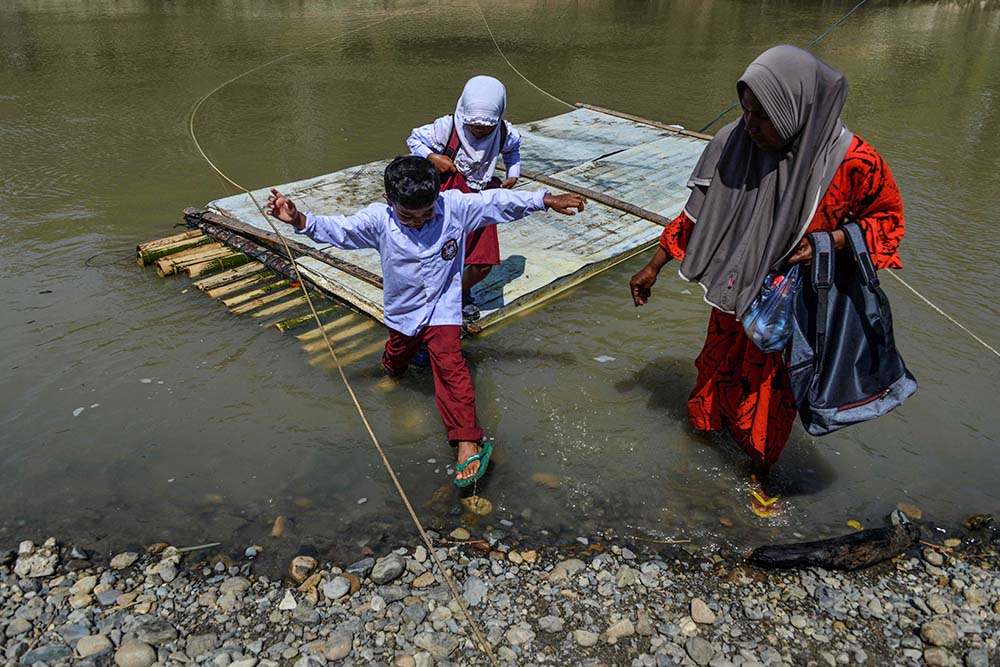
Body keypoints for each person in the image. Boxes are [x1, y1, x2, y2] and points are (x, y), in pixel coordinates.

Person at [629, 45, 905, 515]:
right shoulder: (735, 143)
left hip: (791, 308)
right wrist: (654, 265)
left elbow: (889, 223)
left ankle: (756, 473)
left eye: (763, 116)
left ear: (796, 110)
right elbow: (698, 216)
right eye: (746, 110)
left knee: (770, 395)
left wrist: (832, 241)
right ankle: (694, 460)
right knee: (714, 370)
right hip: (734, 292)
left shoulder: (852, 163)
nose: (750, 125)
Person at [268, 156, 585, 486]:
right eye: (409, 215)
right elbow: (341, 231)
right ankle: (392, 373)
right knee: (398, 350)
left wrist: (545, 199)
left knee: (451, 366)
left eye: (426, 213)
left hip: (444, 306)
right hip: (403, 309)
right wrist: (299, 219)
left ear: (437, 198)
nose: (419, 221)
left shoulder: (453, 208)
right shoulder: (379, 220)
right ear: (390, 202)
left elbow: (496, 201)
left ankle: (467, 440)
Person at [406, 75, 522, 322]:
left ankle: (459, 293)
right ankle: (431, 292)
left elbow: (513, 151)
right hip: (448, 192)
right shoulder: (445, 128)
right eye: (474, 126)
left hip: (482, 197)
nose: (479, 130)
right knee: (441, 250)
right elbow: (414, 140)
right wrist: (432, 157)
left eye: (486, 127)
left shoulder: (504, 133)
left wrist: (513, 173)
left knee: (482, 262)